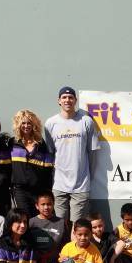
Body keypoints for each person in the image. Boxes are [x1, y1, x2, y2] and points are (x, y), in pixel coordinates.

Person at [44, 86, 100, 223]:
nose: (67, 100)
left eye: (70, 97)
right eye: (64, 97)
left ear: (75, 100)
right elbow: (50, 152)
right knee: (59, 224)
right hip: (59, 183)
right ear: (59, 101)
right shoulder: (50, 123)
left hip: (81, 184)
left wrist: (88, 175)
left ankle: (75, 246)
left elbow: (92, 152)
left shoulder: (86, 121)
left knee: (78, 225)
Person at [9, 109, 54, 217]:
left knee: (37, 219)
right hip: (20, 190)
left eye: (29, 123)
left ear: (34, 125)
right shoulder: (12, 143)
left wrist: (48, 190)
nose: (26, 126)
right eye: (23, 123)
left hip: (38, 190)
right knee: (23, 217)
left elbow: (48, 169)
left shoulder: (41, 144)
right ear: (18, 125)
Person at [29, 191, 70, 263]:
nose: (46, 207)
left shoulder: (61, 222)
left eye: (49, 204)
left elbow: (66, 244)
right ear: (37, 206)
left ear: (54, 204)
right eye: (43, 204)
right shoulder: (31, 222)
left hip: (54, 260)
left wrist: (63, 255)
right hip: (34, 260)